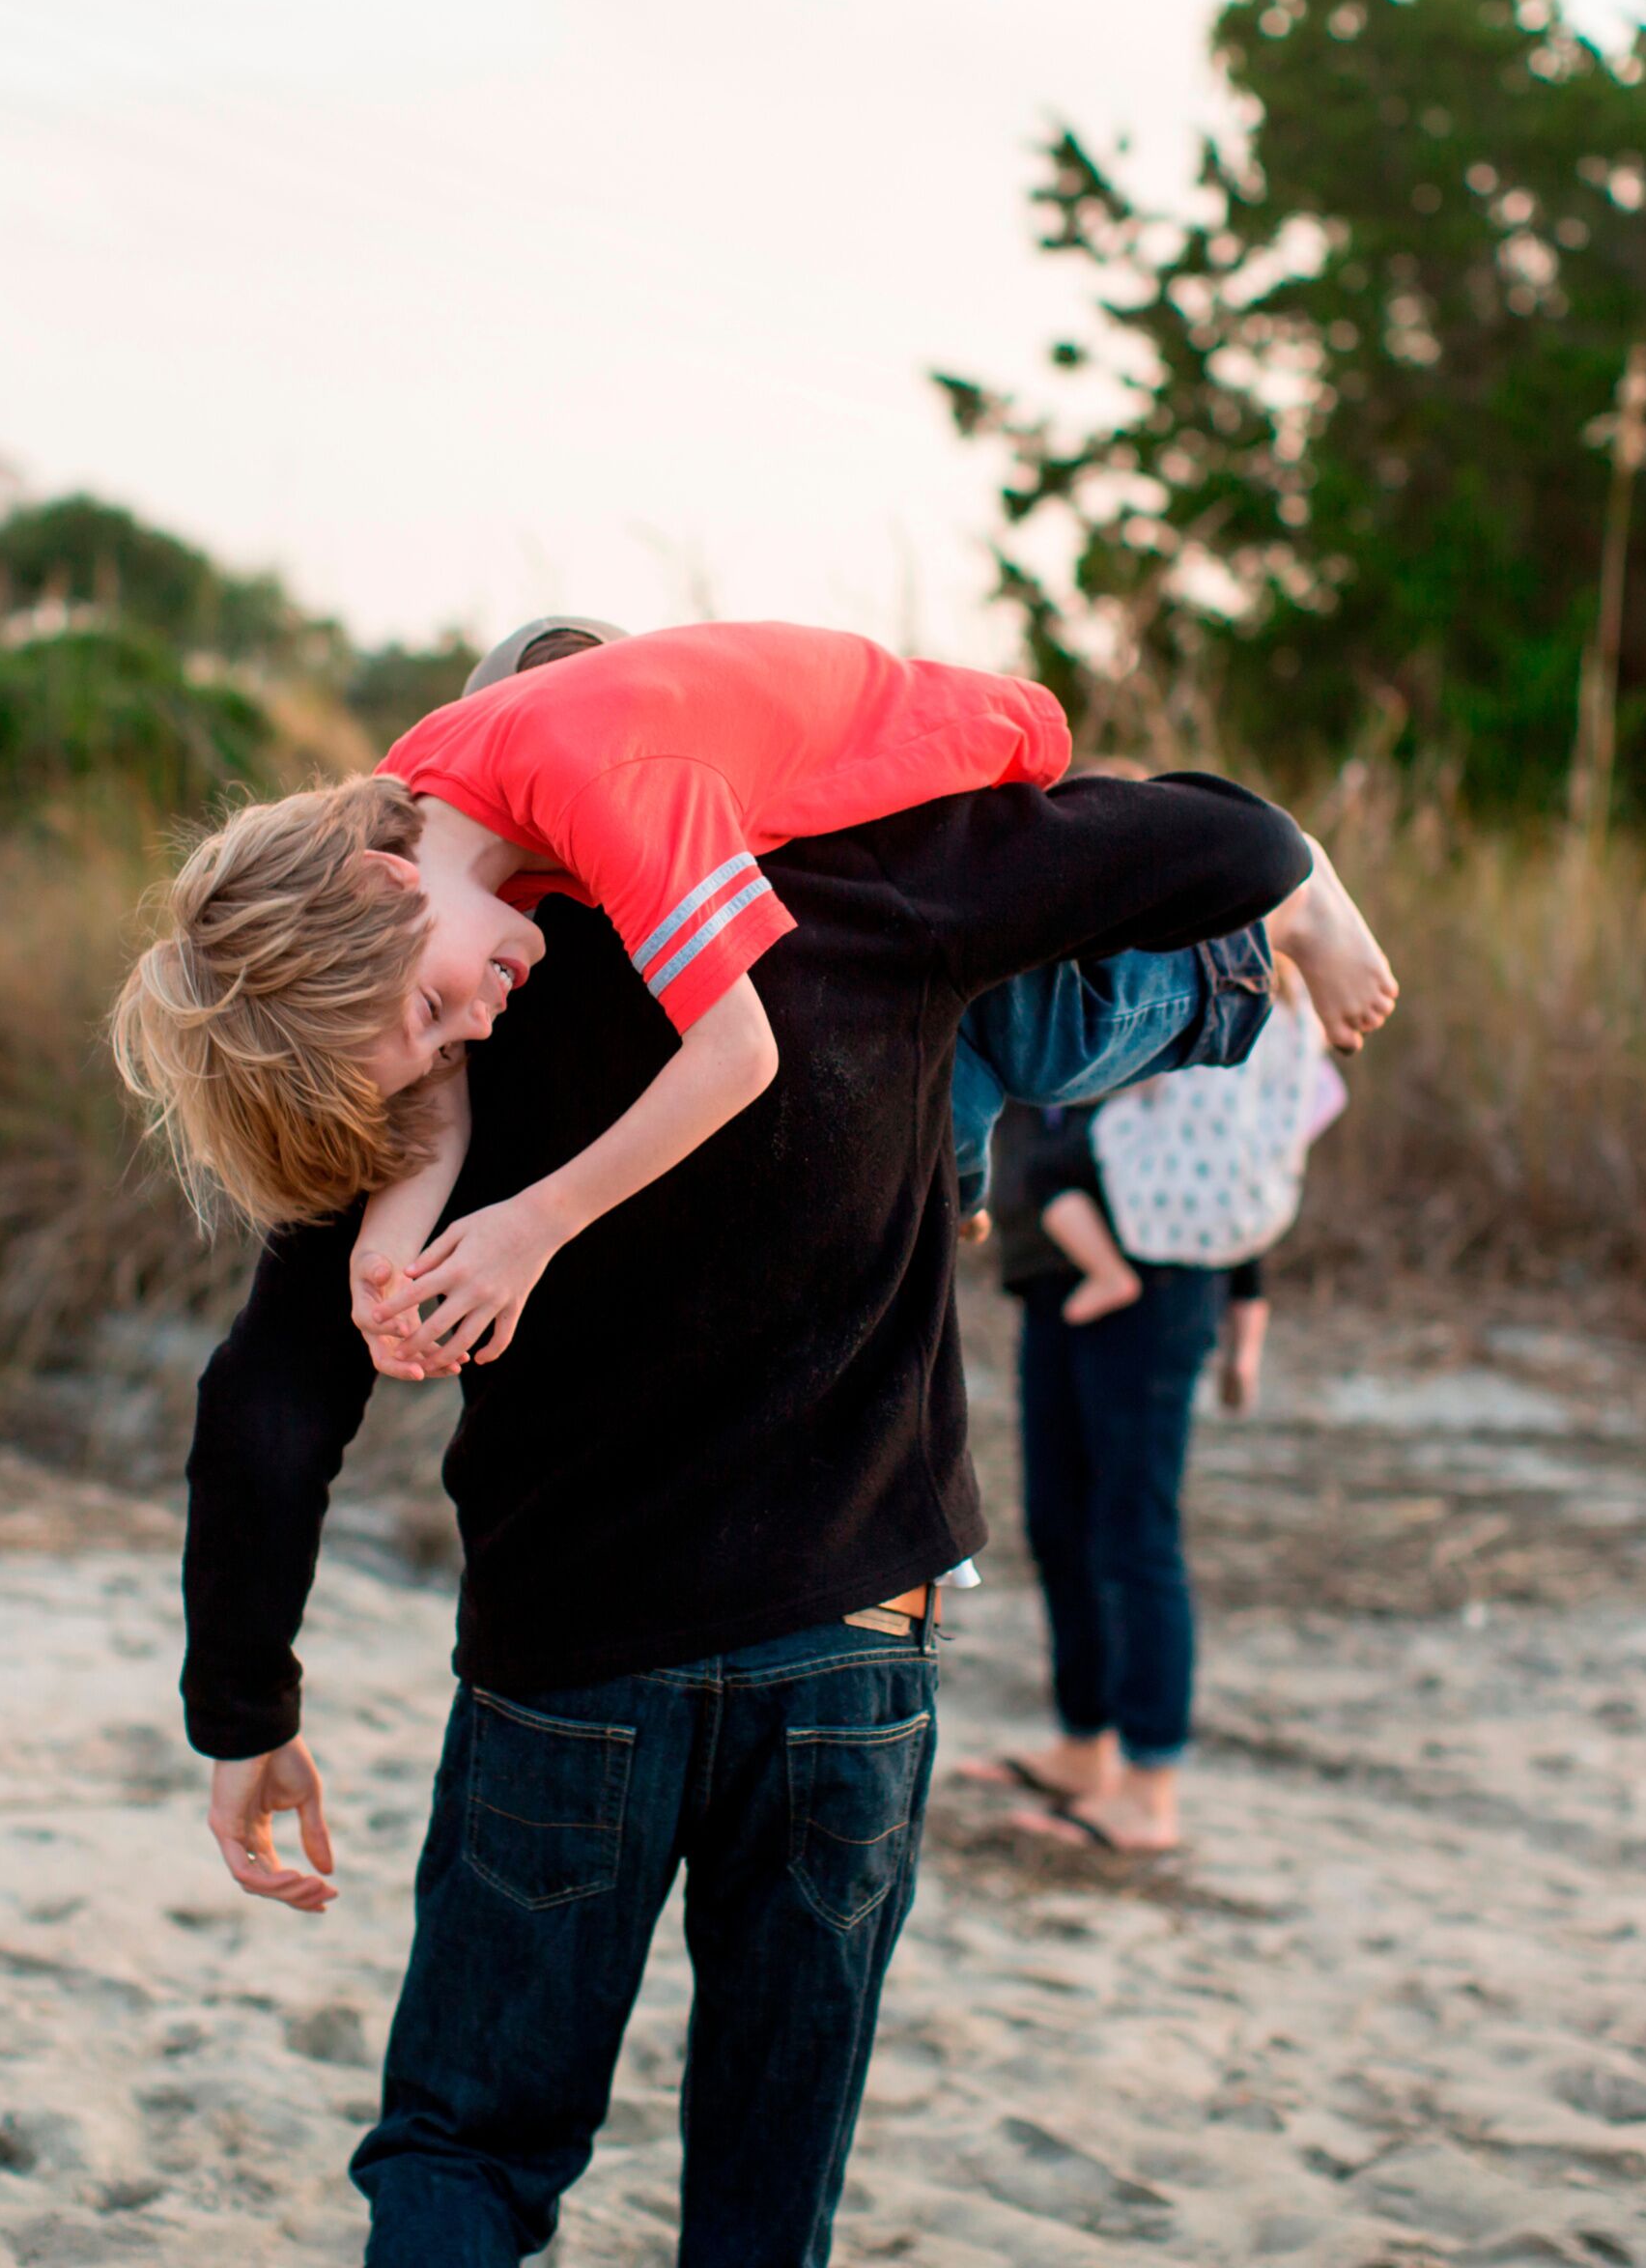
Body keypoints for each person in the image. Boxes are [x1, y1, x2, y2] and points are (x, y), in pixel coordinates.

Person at [174, 766, 1314, 2262]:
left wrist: (245, 1709)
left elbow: (268, 1403)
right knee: (766, 2201)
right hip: (850, 1639)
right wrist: (1295, 916)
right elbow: (1215, 854)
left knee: (470, 2150)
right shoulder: (858, 883)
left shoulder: (425, 1003)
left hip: (570, 1659)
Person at [110, 620, 1398, 1378]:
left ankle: (1282, 914)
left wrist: (534, 1227)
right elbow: (435, 1082)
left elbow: (738, 1056)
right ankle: (956, 1163)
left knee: (1050, 1034)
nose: (474, 1031)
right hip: (787, 813)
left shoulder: (595, 784)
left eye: (432, 1011)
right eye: (439, 1035)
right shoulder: (426, 813)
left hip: (930, 767)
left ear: (381, 885)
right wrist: (388, 1252)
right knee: (933, 1092)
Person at [965, 958, 1344, 1857]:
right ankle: (1083, 1745)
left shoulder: (1191, 969)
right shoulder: (1079, 960)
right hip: (1056, 1278)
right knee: (1059, 1520)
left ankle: (1149, 1785)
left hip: (1161, 1278)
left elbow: (1231, 1149)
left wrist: (1244, 1315)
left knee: (1136, 1530)